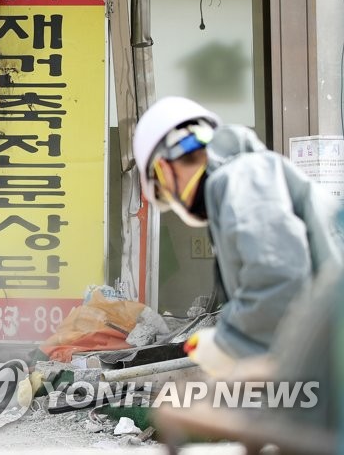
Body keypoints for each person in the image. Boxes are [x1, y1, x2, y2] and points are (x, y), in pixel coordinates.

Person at [132, 96, 342, 377]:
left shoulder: (242, 177)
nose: (174, 202)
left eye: (163, 194)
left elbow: (278, 279)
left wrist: (226, 344)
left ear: (164, 171)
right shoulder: (244, 180)